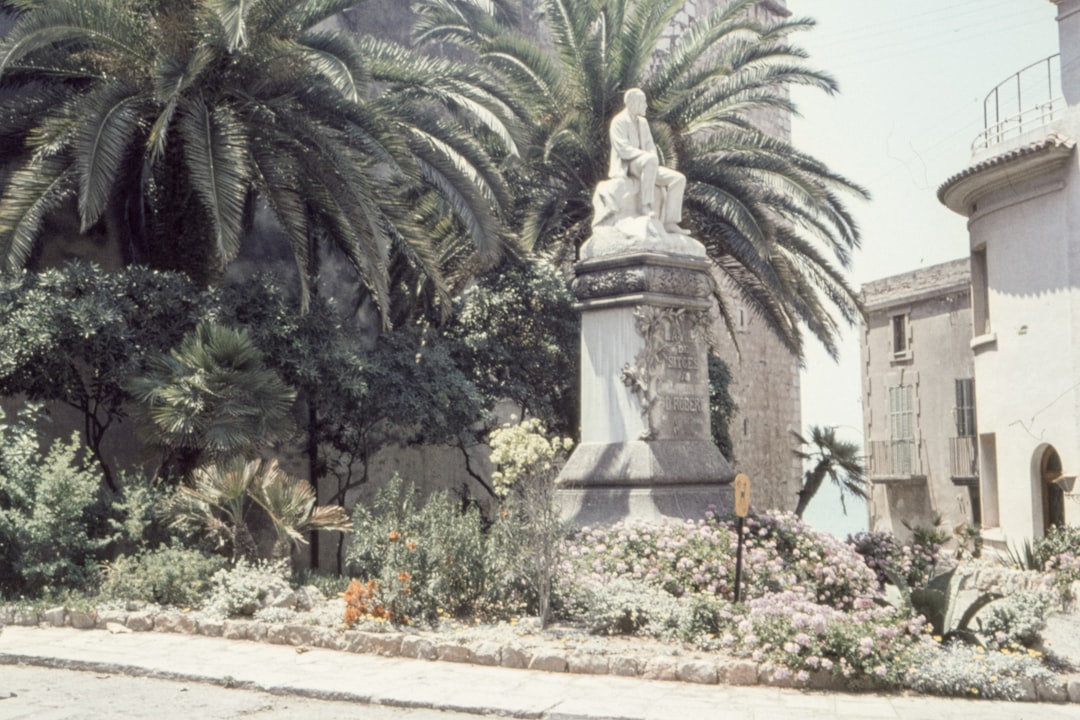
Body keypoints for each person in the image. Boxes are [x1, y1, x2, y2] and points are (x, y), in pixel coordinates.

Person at [607, 88, 688, 235]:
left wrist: (651, 158)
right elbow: (623, 149)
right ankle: (646, 205)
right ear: (633, 103)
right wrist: (646, 157)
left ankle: (670, 222)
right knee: (649, 160)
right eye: (643, 102)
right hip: (629, 164)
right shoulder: (618, 122)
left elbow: (650, 146)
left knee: (678, 179)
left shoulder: (643, 123)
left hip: (647, 164)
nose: (645, 105)